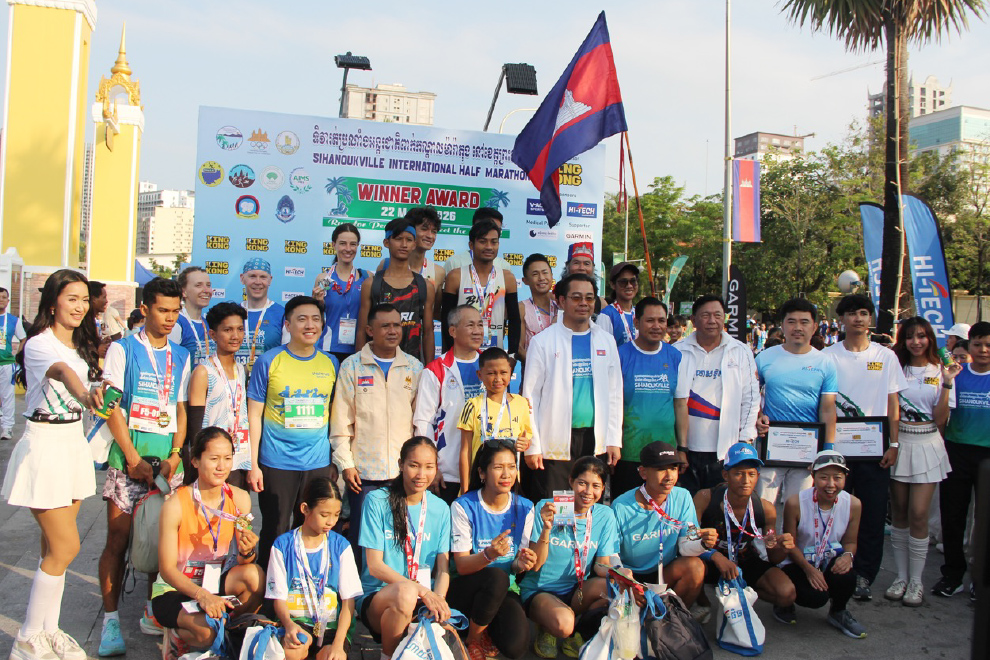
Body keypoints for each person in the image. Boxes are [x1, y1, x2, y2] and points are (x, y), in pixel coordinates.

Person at [1, 269, 105, 660]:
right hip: (44, 445)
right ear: (52, 302)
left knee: (53, 551)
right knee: (67, 547)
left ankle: (50, 630)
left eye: (84, 300)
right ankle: (27, 637)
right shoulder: (39, 344)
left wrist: (98, 393)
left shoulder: (81, 345)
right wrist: (86, 396)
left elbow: (84, 377)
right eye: (71, 299)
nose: (79, 307)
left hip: (73, 443)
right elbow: (62, 374)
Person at [98, 277, 192, 654]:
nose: (170, 318)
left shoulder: (181, 355)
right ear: (144, 309)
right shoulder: (122, 349)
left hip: (166, 466)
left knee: (160, 541)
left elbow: (180, 409)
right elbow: (110, 406)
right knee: (117, 540)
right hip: (128, 463)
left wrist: (175, 455)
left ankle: (153, 609)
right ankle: (109, 622)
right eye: (162, 310)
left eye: (175, 311)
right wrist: (133, 458)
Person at [153, 428, 264, 659]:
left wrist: (247, 551)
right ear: (195, 461)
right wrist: (202, 595)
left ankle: (228, 630)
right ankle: (179, 634)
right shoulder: (175, 505)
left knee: (255, 576)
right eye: (213, 459)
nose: (221, 466)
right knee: (207, 632)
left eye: (227, 458)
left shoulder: (240, 498)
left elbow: (244, 560)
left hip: (216, 582)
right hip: (176, 589)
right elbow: (166, 569)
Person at [822, 294, 906, 601]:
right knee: (832, 512)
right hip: (837, 451)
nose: (857, 318)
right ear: (841, 319)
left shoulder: (886, 357)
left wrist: (893, 443)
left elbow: (893, 404)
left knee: (871, 514)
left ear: (870, 319)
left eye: (863, 313)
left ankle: (864, 574)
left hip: (875, 451)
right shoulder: (827, 356)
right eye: (851, 313)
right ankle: (830, 568)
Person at [246, 295, 338, 569]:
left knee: (311, 528)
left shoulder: (331, 363)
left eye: (315, 319)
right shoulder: (269, 361)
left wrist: (334, 461)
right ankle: (268, 587)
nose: (310, 325)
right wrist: (254, 465)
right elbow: (254, 415)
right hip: (276, 463)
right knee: (275, 529)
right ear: (287, 325)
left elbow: (335, 414)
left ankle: (304, 584)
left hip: (317, 463)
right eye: (302, 319)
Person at [521, 274, 622, 502]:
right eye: (576, 297)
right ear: (561, 301)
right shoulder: (542, 342)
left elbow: (615, 395)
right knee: (556, 507)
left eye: (589, 298)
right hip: (554, 442)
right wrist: (533, 446)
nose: (584, 303)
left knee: (588, 504)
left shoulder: (606, 341)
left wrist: (614, 439)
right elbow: (530, 397)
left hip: (595, 440)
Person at [331, 304, 424, 551]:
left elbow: (420, 423)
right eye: (385, 326)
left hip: (402, 472)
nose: (392, 331)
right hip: (363, 474)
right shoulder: (352, 366)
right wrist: (346, 464)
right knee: (362, 539)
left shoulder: (414, 367)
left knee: (400, 538)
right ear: (370, 330)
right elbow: (341, 422)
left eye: (396, 325)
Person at [357, 437, 452, 660]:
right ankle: (388, 656)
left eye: (429, 467)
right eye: (414, 465)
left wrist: (438, 599)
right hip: (381, 598)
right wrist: (422, 591)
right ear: (401, 464)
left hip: (422, 600)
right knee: (406, 593)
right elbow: (375, 566)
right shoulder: (377, 501)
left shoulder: (440, 508)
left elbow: (443, 569)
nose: (421, 474)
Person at [887, 317, 958, 606]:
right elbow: (891, 409)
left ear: (930, 338)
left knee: (918, 513)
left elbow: (941, 419)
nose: (916, 342)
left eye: (921, 336)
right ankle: (901, 576)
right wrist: (893, 443)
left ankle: (916, 580)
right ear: (903, 340)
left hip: (928, 443)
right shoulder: (896, 368)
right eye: (909, 337)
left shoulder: (941, 370)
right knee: (899, 513)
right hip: (900, 442)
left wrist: (948, 382)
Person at [520, 457, 622, 659]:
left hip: (577, 590)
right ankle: (547, 627)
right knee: (564, 623)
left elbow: (601, 564)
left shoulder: (604, 515)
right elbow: (536, 565)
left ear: (603, 489)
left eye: (596, 486)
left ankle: (578, 634)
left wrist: (620, 574)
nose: (588, 492)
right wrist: (546, 529)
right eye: (582, 483)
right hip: (541, 590)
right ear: (570, 481)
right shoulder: (552, 506)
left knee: (613, 588)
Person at [449, 443, 537, 660]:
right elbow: (462, 566)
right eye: (498, 467)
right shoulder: (463, 506)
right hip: (466, 587)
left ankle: (484, 626)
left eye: (512, 466)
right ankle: (473, 639)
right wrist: (488, 555)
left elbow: (514, 567)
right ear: (482, 473)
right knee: (496, 577)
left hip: (504, 588)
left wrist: (521, 563)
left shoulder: (526, 507)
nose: (506, 474)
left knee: (516, 647)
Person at [693, 443, 797, 619]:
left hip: (744, 560)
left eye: (751, 474)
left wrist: (783, 547)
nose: (746, 480)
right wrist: (715, 557)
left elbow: (774, 556)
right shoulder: (706, 498)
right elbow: (689, 539)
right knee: (691, 567)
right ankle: (703, 603)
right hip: (711, 560)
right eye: (738, 473)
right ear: (725, 475)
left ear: (758, 476)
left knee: (787, 594)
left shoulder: (766, 508)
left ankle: (743, 597)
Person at [611, 442, 715, 616]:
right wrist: (625, 579)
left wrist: (702, 543)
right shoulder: (621, 505)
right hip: (631, 575)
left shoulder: (683, 496)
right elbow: (611, 553)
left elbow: (686, 545)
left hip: (664, 573)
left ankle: (671, 620)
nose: (669, 476)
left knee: (695, 567)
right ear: (643, 472)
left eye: (673, 468)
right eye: (661, 469)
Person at [266, 476, 362, 660]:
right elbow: (278, 597)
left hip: (332, 627)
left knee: (333, 657)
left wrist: (338, 644)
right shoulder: (283, 545)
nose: (331, 522)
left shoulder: (341, 546)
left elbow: (348, 601)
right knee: (294, 651)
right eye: (324, 515)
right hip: (295, 623)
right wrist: (289, 625)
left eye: (336, 514)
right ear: (305, 509)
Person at [755, 298, 837, 512]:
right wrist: (758, 416)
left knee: (798, 511)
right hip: (770, 448)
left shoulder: (825, 363)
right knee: (763, 508)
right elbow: (751, 397)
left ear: (814, 327)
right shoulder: (764, 358)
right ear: (782, 325)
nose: (798, 328)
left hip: (807, 451)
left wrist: (827, 449)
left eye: (804, 322)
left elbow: (828, 408)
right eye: (791, 322)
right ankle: (763, 537)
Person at [674, 295, 759, 494]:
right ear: (693, 320)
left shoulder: (740, 351)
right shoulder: (677, 351)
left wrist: (744, 439)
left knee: (718, 505)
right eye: (705, 315)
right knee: (688, 505)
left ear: (724, 318)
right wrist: (679, 447)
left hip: (725, 450)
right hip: (686, 450)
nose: (712, 320)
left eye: (717, 315)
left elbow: (751, 398)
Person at [779, 451, 865, 639]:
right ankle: (783, 602)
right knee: (814, 597)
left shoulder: (853, 504)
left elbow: (850, 542)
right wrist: (808, 569)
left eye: (837, 478)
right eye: (824, 477)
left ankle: (838, 611)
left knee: (847, 576)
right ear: (813, 476)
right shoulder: (796, 503)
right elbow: (789, 545)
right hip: (798, 562)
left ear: (845, 478)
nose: (831, 484)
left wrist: (847, 556)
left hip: (828, 559)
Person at [934, 321, 990, 600]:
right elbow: (942, 416)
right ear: (969, 346)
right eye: (978, 344)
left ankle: (982, 578)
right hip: (957, 451)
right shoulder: (956, 374)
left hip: (987, 456)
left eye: (988, 345)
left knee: (986, 519)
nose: (983, 350)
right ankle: (953, 574)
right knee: (953, 516)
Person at [613, 297, 688, 496]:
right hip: (629, 453)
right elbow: (611, 405)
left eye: (661, 321)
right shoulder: (619, 355)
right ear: (636, 323)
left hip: (666, 454)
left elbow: (680, 404)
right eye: (650, 320)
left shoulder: (675, 357)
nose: (657, 326)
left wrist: (682, 448)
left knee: (662, 509)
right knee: (627, 506)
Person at [414, 305, 486, 503]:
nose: (477, 331)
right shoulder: (435, 370)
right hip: (447, 474)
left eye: (480, 325)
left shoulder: (492, 366)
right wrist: (430, 466)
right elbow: (424, 422)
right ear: (452, 331)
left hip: (486, 471)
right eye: (470, 325)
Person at [187, 302, 250, 488]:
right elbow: (195, 423)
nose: (235, 336)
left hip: (239, 457)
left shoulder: (242, 370)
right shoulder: (203, 371)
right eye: (228, 330)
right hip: (212, 462)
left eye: (240, 329)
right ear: (213, 334)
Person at [356, 219, 435, 363]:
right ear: (387, 242)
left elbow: (428, 332)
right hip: (376, 365)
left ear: (414, 244)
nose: (404, 244)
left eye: (409, 240)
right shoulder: (371, 284)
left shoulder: (425, 286)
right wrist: (359, 366)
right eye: (398, 239)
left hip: (412, 367)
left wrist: (430, 370)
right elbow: (362, 330)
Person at [457, 347, 533, 490]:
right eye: (491, 373)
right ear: (480, 375)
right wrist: (465, 489)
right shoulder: (473, 405)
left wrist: (525, 444)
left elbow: (525, 439)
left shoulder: (521, 403)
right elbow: (465, 451)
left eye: (503, 372)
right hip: (479, 481)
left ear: (511, 372)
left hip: (509, 481)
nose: (498, 379)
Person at [442, 219, 519, 354]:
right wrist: (451, 354)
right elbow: (446, 320)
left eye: (494, 242)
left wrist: (512, 355)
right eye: (483, 241)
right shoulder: (456, 276)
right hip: (462, 355)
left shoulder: (507, 278)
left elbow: (514, 321)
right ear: (471, 245)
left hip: (495, 355)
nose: (489, 247)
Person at [314, 223, 371, 365]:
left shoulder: (366, 277)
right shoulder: (325, 279)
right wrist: (318, 302)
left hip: (359, 349)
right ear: (334, 245)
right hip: (329, 348)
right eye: (343, 243)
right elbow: (316, 317)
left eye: (353, 244)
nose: (348, 249)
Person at [239, 258, 286, 373]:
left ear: (270, 280)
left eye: (263, 277)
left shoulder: (282, 314)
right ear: (242, 278)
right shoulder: (232, 312)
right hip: (234, 380)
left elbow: (287, 355)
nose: (258, 282)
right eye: (252, 276)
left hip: (269, 378)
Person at [559, 242, 611, 334]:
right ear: (567, 266)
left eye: (587, 264)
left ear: (593, 268)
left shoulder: (601, 304)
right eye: (576, 263)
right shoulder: (554, 299)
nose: (581, 268)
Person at [443, 207, 512, 275]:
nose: (493, 231)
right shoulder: (454, 263)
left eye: (498, 229)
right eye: (488, 226)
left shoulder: (504, 266)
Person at [170, 266, 214, 365]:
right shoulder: (176, 323)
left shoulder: (207, 322)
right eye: (198, 285)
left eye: (208, 285)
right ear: (183, 292)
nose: (206, 290)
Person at [518, 253, 556, 360]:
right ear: (525, 280)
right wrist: (538, 366)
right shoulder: (522, 308)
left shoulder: (562, 304)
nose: (541, 278)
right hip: (533, 369)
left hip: (561, 369)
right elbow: (519, 349)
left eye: (545, 273)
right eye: (535, 274)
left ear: (552, 276)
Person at [0, 286, 27, 440]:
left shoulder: (13, 320)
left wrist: (18, 356)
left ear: (8, 301)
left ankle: (7, 428)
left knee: (7, 396)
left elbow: (23, 338)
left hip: (6, 363)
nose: (1, 300)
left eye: (4, 297)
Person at [600, 262, 639, 347]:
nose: (629, 286)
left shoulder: (639, 313)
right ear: (613, 285)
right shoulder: (606, 315)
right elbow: (602, 348)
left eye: (633, 281)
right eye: (623, 282)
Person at [90, 280, 125, 358]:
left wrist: (100, 343)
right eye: (104, 297)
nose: (106, 301)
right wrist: (96, 350)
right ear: (94, 299)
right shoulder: (84, 322)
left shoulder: (92, 320)